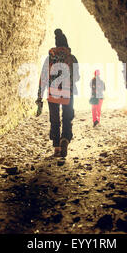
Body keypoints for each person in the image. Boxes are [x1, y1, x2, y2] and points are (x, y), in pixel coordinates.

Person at [36, 29, 79, 157]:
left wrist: (39, 98)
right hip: (67, 92)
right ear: (66, 44)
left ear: (56, 44)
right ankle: (64, 139)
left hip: (52, 93)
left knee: (54, 120)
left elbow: (43, 79)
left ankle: (56, 148)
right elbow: (76, 77)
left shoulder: (49, 59)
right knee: (67, 118)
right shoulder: (72, 58)